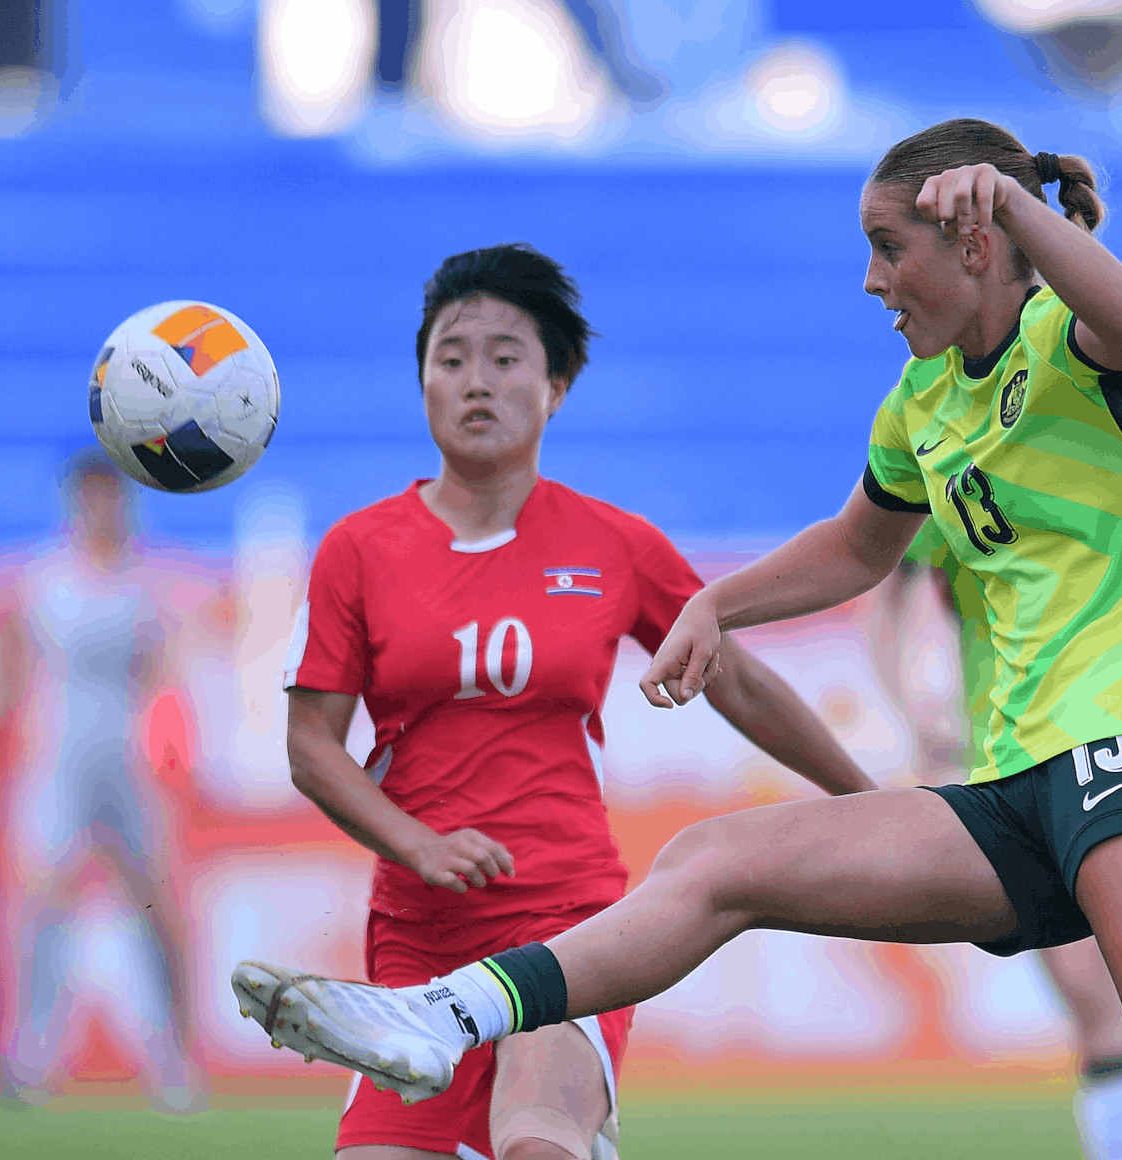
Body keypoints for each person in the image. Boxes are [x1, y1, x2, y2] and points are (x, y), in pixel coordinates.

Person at [234, 121, 1122, 1160]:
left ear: (975, 237)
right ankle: (449, 1009)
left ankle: (460, 1007)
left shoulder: (1075, 336)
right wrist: (717, 605)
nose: (870, 280)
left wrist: (1017, 205)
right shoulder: (922, 401)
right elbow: (856, 548)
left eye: (885, 246)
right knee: (716, 862)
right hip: (1013, 783)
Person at [272, 243, 877, 1160]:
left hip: (567, 919)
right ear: (423, 383)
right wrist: (417, 844)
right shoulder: (357, 550)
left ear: (557, 386)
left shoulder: (613, 545)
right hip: (417, 933)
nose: (476, 380)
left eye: (506, 358)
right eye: (451, 357)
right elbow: (311, 746)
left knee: (534, 1139)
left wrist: (872, 801)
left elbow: (741, 681)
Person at [866, 457, 1122, 1160]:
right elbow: (882, 596)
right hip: (1017, 769)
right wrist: (918, 718)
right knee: (1107, 1001)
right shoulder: (969, 477)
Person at [0, 451, 201, 1112]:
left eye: (112, 496)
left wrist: (174, 739)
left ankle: (172, 1056)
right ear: (76, 502)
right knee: (42, 896)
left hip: (123, 747)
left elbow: (166, 669)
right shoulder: (44, 580)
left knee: (154, 898)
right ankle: (31, 1054)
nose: (102, 508)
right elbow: (11, 668)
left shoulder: (144, 584)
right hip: (58, 748)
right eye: (92, 496)